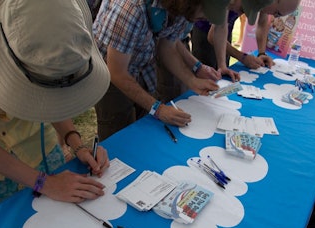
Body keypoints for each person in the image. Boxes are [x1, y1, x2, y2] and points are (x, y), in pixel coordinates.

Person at [0, 0, 111, 221]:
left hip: (40, 147)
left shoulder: (48, 17)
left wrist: (77, 144)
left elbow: (51, 94)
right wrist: (45, 183)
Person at [92, 0, 236, 141]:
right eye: (206, 13)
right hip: (109, 75)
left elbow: (167, 48)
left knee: (144, 132)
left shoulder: (183, 10)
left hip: (141, 65)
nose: (206, 19)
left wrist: (192, 81)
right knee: (118, 136)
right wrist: (158, 109)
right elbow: (117, 72)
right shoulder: (130, 9)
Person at [209, 0, 302, 79]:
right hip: (205, 27)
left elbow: (262, 21)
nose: (275, 17)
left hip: (221, 27)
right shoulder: (224, 5)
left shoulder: (260, 3)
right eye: (277, 13)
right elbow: (213, 34)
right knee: (206, 73)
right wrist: (242, 57)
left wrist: (261, 53)